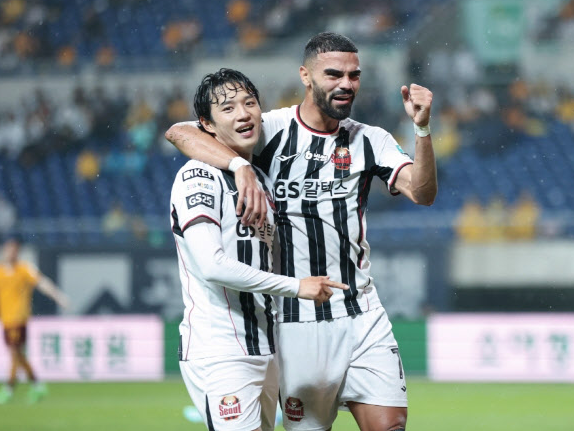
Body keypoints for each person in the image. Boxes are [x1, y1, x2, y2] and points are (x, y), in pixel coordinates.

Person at [166, 32, 437, 431]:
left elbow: (423, 193)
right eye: (334, 74)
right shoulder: (267, 130)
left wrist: (423, 130)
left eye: (354, 75)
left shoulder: (371, 140)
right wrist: (239, 167)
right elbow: (180, 132)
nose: (346, 83)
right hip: (295, 320)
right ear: (306, 76)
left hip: (362, 312)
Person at [170, 68, 347, 431]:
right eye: (228, 108)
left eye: (249, 103)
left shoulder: (262, 181)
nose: (243, 114)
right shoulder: (197, 176)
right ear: (206, 124)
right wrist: (298, 287)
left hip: (266, 347)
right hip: (220, 347)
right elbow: (212, 266)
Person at [0, 237, 69, 404]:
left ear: (18, 252)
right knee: (17, 354)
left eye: (14, 249)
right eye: (8, 249)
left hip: (19, 318)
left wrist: (58, 296)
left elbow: (42, 283)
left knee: (15, 352)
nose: (10, 253)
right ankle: (37, 385)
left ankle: (9, 389)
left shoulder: (24, 269)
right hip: (5, 320)